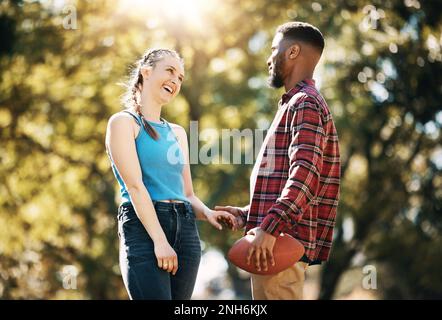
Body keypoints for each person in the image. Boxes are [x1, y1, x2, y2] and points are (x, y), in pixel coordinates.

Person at [216, 22, 341, 300]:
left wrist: (270, 226)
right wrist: (248, 215)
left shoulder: (305, 102)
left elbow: (305, 175)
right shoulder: (295, 103)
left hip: (279, 247)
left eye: (275, 49)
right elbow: (291, 181)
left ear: (293, 51)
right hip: (272, 244)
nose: (269, 58)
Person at [105, 48, 235, 300]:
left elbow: (187, 194)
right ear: (146, 72)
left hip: (186, 230)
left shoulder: (177, 133)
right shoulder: (123, 123)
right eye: (170, 71)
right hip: (145, 230)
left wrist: (208, 213)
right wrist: (160, 241)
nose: (175, 81)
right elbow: (135, 187)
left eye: (181, 78)